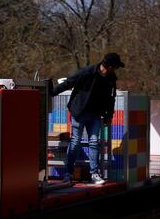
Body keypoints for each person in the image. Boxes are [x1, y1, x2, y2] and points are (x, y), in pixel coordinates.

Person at [51, 52, 125, 184]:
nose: (116, 70)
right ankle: (68, 174)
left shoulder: (111, 77)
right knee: (75, 142)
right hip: (79, 111)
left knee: (94, 141)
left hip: (95, 113)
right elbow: (69, 82)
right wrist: (51, 92)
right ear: (109, 66)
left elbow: (111, 98)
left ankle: (94, 173)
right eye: (116, 67)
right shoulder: (87, 72)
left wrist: (109, 115)